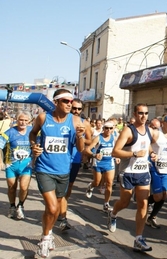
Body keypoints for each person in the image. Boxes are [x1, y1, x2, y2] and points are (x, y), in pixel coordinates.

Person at [29, 89, 86, 258]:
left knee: (54, 209)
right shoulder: (43, 118)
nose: (70, 104)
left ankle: (49, 231)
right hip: (44, 169)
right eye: (65, 101)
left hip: (63, 171)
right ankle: (45, 239)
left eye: (71, 102)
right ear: (56, 102)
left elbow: (81, 150)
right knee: (53, 207)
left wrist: (81, 137)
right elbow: (33, 133)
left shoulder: (75, 121)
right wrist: (34, 145)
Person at [108, 103, 156, 252]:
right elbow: (115, 152)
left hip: (143, 173)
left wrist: (152, 154)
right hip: (128, 172)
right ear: (135, 114)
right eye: (140, 113)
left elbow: (147, 145)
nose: (144, 116)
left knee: (143, 204)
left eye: (146, 113)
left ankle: (138, 239)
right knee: (125, 202)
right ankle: (113, 213)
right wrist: (134, 154)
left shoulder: (150, 131)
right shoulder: (128, 131)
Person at [58, 99, 92, 230]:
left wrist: (80, 136)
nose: (76, 111)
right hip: (60, 158)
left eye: (79, 109)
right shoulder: (61, 119)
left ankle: (62, 216)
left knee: (68, 189)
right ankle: (59, 213)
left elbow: (90, 140)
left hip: (74, 159)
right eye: (74, 108)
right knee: (58, 189)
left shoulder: (84, 123)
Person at [0, 111, 33, 220]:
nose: (23, 122)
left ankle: (20, 205)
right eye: (21, 120)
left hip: (26, 165)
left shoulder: (32, 132)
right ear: (16, 120)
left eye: (25, 120)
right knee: (11, 187)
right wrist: (1, 161)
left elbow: (38, 145)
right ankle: (12, 206)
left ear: (29, 122)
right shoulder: (9, 132)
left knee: (23, 187)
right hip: (11, 165)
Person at [85, 121, 119, 211]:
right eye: (106, 128)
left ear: (113, 129)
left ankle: (106, 203)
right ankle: (91, 186)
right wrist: (94, 155)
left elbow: (117, 150)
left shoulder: (114, 138)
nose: (108, 130)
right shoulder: (98, 138)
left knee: (109, 183)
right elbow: (87, 149)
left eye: (110, 128)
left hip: (109, 163)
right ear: (103, 129)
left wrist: (117, 157)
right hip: (98, 163)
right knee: (97, 182)